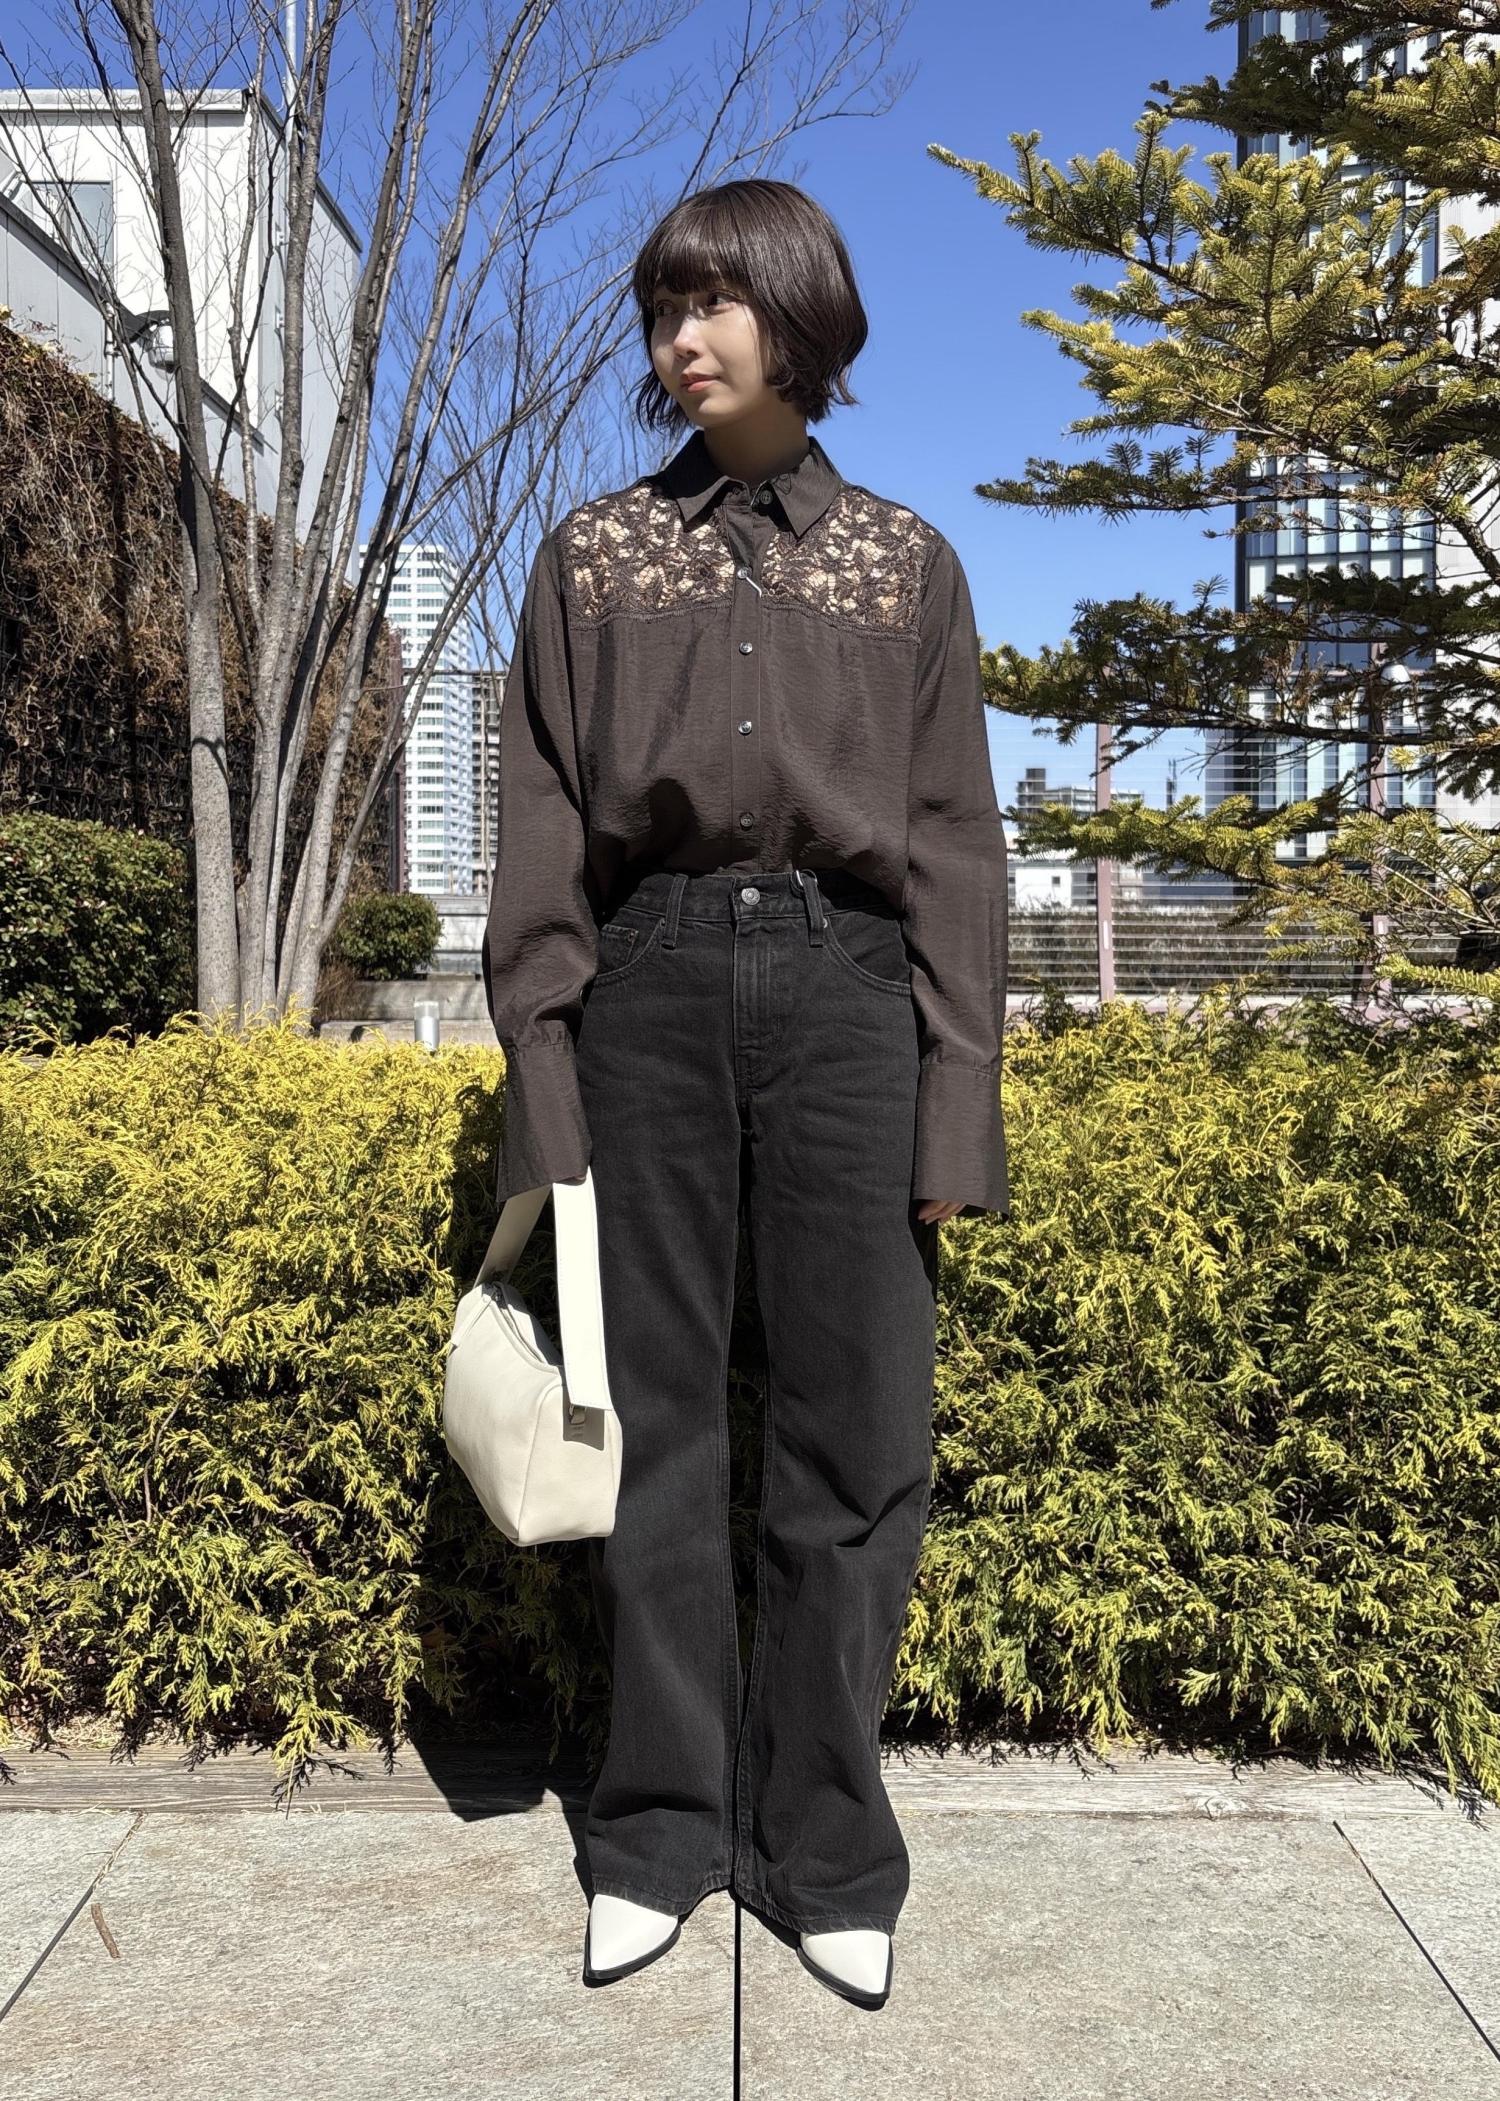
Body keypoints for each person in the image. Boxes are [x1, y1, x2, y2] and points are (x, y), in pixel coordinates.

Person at [482, 176, 1010, 2013]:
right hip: (650, 993)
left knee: (859, 1437)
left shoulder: (907, 565)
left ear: (800, 315)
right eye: (665, 306)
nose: (680, 336)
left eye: (714, 300)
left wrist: (957, 1107)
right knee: (650, 1432)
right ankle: (656, 1834)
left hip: (854, 1005)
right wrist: (546, 1076)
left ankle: (828, 1853)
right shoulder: (595, 557)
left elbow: (953, 847)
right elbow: (543, 824)